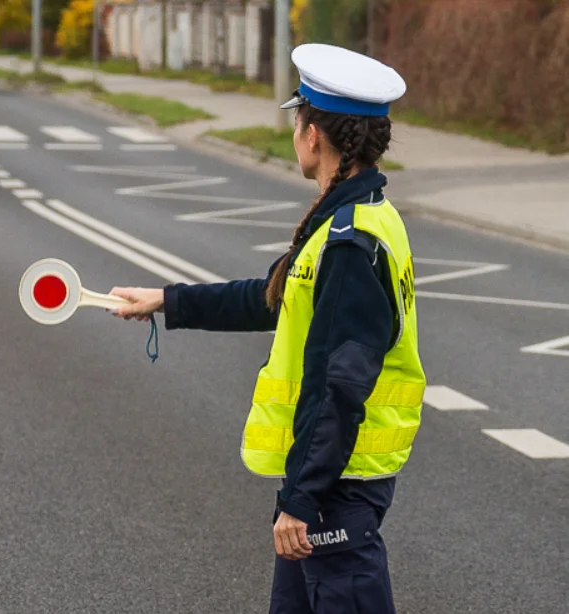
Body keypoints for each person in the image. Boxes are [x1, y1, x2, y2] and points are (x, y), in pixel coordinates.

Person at [110, 43, 426, 614]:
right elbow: (271, 298)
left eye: (297, 117)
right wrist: (164, 301)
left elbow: (339, 386)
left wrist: (302, 500)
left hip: (338, 485)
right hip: (332, 479)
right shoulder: (355, 216)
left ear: (313, 135)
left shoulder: (351, 240)